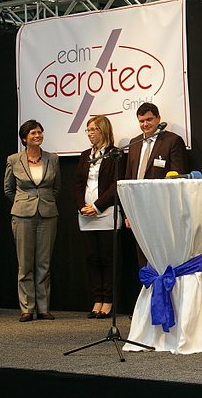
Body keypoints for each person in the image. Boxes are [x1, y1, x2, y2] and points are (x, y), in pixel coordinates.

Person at [4, 119, 60, 323]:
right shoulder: (13, 159)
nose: (38, 136)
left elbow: (56, 188)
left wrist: (44, 201)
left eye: (39, 132)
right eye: (33, 133)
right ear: (24, 138)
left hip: (47, 214)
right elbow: (8, 189)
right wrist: (24, 202)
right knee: (25, 263)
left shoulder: (52, 159)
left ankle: (43, 308)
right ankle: (27, 308)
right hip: (22, 215)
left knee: (44, 263)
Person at [125, 102, 188, 268]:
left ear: (158, 118)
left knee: (162, 257)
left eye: (149, 119)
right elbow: (128, 179)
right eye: (141, 121)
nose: (145, 124)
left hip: (162, 209)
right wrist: (128, 212)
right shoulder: (134, 143)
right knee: (142, 256)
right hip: (138, 208)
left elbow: (179, 176)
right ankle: (147, 284)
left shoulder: (172, 141)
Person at [75, 116, 126, 319]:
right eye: (88, 130)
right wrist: (82, 206)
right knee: (92, 258)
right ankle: (97, 299)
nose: (90, 133)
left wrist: (97, 206)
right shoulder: (85, 155)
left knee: (108, 258)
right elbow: (78, 184)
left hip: (106, 213)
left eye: (93, 129)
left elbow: (116, 185)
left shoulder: (115, 154)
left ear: (103, 130)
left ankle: (109, 300)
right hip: (85, 214)